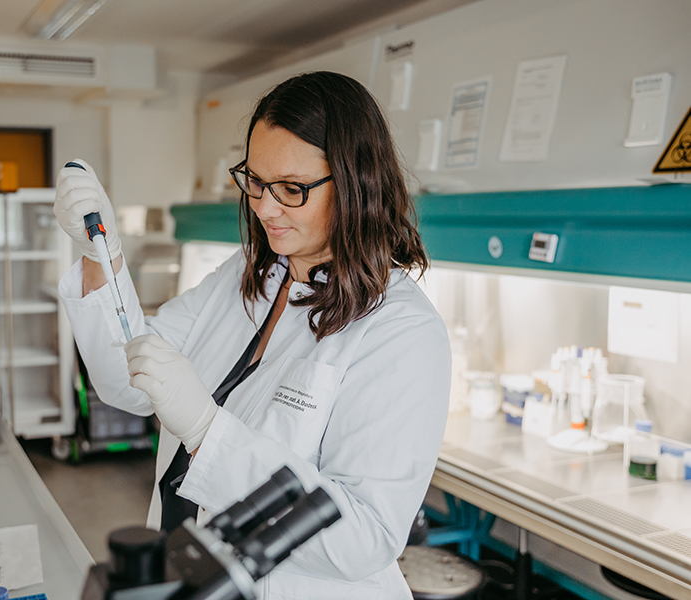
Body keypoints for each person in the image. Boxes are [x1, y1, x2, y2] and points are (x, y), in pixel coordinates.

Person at [55, 71, 450, 599]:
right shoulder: (246, 276)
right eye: (256, 182)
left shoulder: (401, 331)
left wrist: (205, 432)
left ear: (358, 184)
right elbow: (124, 379)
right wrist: (99, 254)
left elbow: (363, 537)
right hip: (187, 575)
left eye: (292, 189)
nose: (265, 207)